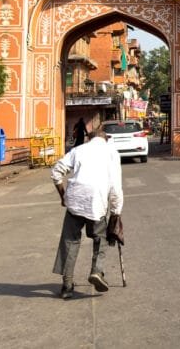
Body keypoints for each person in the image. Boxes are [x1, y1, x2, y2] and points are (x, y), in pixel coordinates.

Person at [51, 126, 123, 299]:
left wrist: (63, 196)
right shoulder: (111, 152)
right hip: (95, 202)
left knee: (70, 241)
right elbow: (115, 186)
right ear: (105, 138)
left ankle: (67, 286)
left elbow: (56, 172)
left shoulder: (78, 150)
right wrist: (116, 212)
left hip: (74, 200)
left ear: (89, 138)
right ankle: (97, 271)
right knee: (101, 237)